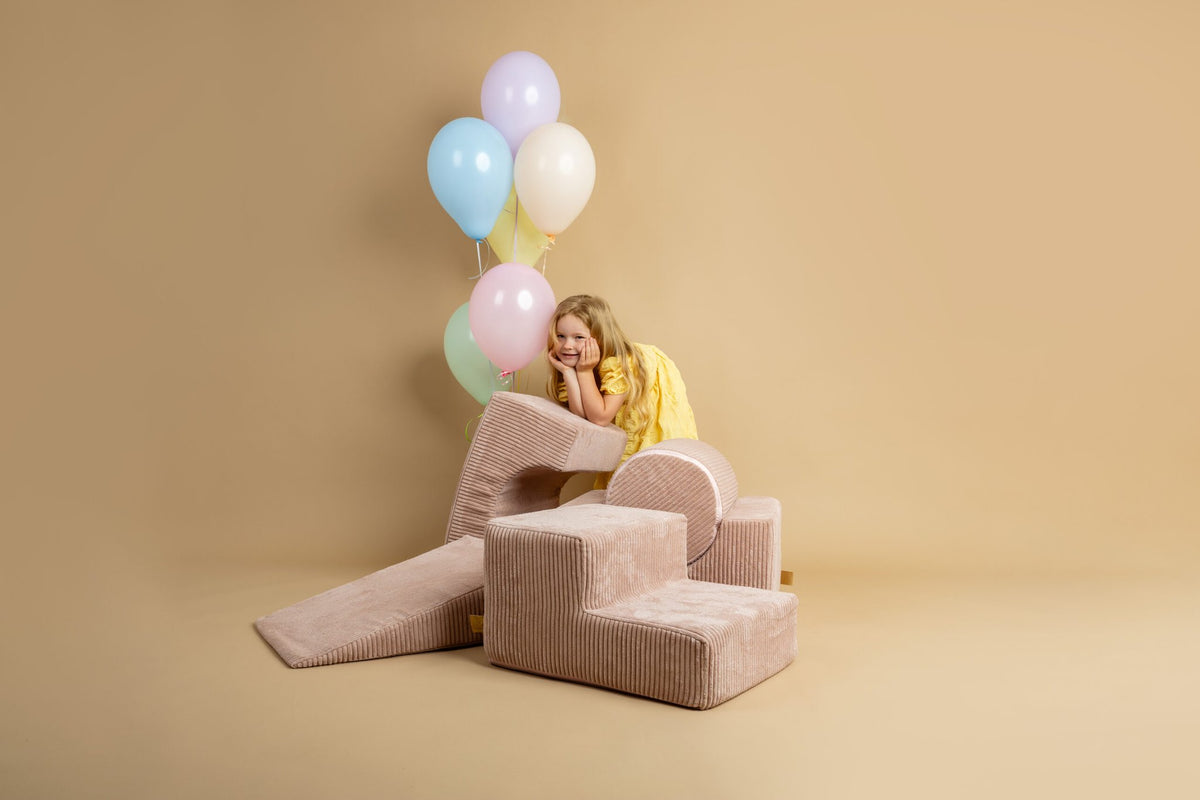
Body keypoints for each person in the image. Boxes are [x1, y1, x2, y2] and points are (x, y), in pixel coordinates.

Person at [546, 294, 698, 488]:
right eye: (560, 336)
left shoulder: (619, 363)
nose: (567, 345)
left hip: (650, 448)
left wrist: (583, 372)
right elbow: (583, 416)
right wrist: (568, 373)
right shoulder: (581, 368)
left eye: (579, 338)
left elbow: (600, 418)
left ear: (599, 339)